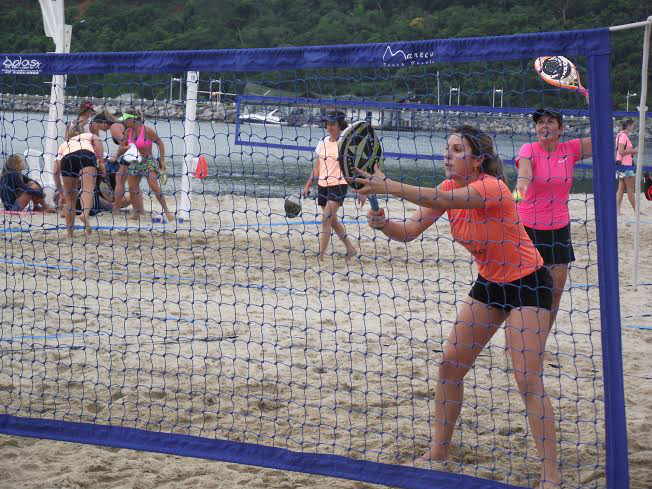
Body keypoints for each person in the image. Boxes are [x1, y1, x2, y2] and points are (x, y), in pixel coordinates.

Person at [354, 125, 559, 488]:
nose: (447, 155)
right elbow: (408, 232)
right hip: (491, 283)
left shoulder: (491, 188)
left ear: (478, 159)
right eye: (447, 149)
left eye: (457, 150)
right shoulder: (447, 189)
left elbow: (440, 201)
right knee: (449, 364)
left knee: (527, 378)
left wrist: (388, 185)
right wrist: (384, 223)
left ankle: (550, 477)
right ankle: (439, 452)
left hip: (529, 283)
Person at [514, 108, 592, 362]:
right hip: (528, 228)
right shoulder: (529, 149)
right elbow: (524, 175)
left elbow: (604, 137)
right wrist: (519, 189)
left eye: (549, 121)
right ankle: (515, 343)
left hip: (559, 229)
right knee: (523, 290)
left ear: (560, 128)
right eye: (539, 122)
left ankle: (539, 345)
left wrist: (592, 101)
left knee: (554, 292)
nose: (543, 125)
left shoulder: (569, 150)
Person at [302, 110, 357, 261]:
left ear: (340, 125)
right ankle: (351, 249)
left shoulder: (346, 143)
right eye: (327, 124)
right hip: (323, 185)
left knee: (326, 218)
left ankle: (320, 256)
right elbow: (318, 167)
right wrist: (308, 184)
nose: (329, 127)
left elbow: (355, 167)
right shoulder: (323, 142)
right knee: (333, 221)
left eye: (332, 124)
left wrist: (361, 190)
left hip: (339, 184)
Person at [117, 109, 174, 222]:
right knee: (132, 188)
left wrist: (162, 160)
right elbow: (122, 147)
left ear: (132, 119)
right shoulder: (128, 131)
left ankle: (167, 211)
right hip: (134, 162)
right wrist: (126, 148)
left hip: (148, 161)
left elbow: (160, 143)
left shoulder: (147, 130)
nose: (123, 122)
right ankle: (136, 212)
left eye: (125, 120)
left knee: (154, 186)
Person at [54, 126, 104, 238]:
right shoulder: (87, 136)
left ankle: (70, 234)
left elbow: (55, 171)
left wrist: (61, 193)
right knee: (88, 188)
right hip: (85, 154)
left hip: (67, 159)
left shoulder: (64, 144)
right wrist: (101, 162)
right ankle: (84, 215)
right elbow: (97, 139)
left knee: (69, 200)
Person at [615, 117, 640, 215]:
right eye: (632, 125)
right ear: (628, 125)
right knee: (630, 189)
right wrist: (634, 150)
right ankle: (636, 211)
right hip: (626, 166)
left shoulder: (621, 135)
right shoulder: (623, 136)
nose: (633, 127)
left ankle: (617, 211)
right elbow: (621, 151)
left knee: (621, 188)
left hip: (621, 165)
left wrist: (632, 151)